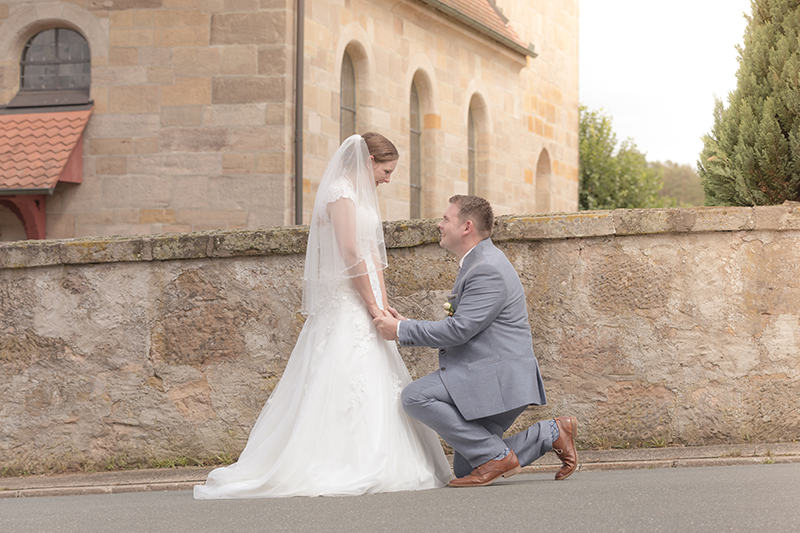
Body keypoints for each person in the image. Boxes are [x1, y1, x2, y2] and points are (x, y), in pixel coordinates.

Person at [194, 134, 452, 499]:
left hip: (365, 297)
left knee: (375, 372)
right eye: (386, 170)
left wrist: (384, 301)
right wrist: (370, 304)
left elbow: (373, 254)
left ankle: (389, 457)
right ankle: (340, 460)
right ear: (368, 161)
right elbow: (349, 253)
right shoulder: (340, 192)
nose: (388, 179)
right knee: (342, 369)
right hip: (346, 300)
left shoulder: (361, 194)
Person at [373, 195, 578, 487]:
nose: (439, 224)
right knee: (466, 465)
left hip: (497, 377)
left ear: (466, 226)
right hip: (491, 373)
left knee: (415, 396)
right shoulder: (480, 261)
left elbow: (459, 330)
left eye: (445, 219)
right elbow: (465, 326)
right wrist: (404, 322)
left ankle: (499, 455)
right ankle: (552, 433)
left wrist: (401, 331)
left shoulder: (487, 268)